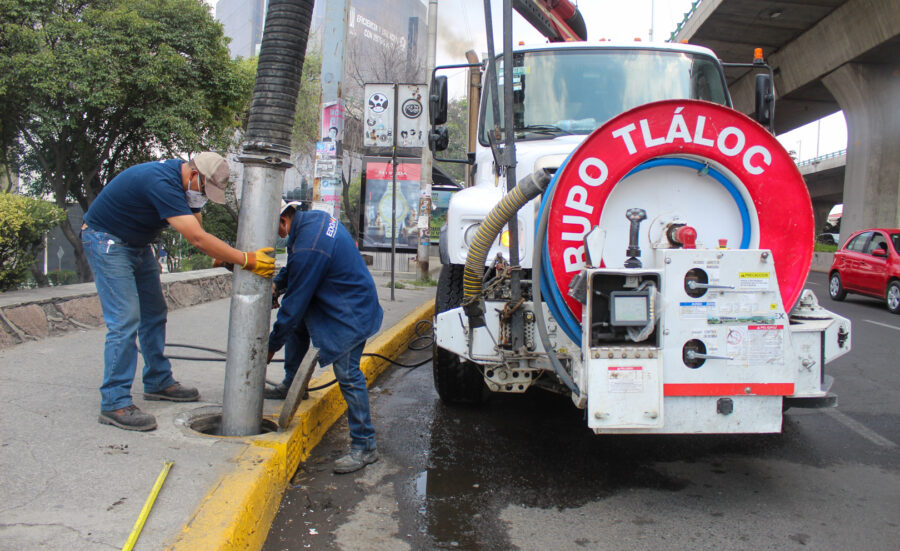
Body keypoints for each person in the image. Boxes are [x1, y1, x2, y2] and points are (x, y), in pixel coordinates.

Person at [82, 152, 275, 432]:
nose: (204, 198)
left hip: (136, 244)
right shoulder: (161, 183)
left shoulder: (186, 185)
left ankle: (158, 381)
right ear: (194, 175)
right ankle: (114, 402)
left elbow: (198, 229)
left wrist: (220, 255)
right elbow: (195, 238)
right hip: (107, 241)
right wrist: (245, 259)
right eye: (204, 191)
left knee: (154, 312)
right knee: (125, 319)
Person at [266, 202, 383, 474]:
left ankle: (365, 446)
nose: (280, 235)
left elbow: (292, 305)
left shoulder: (310, 243)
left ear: (285, 219)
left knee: (348, 373)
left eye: (278, 229)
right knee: (297, 326)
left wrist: (270, 348)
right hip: (348, 299)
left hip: (350, 312)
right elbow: (296, 266)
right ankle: (292, 383)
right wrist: (278, 283)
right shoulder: (312, 221)